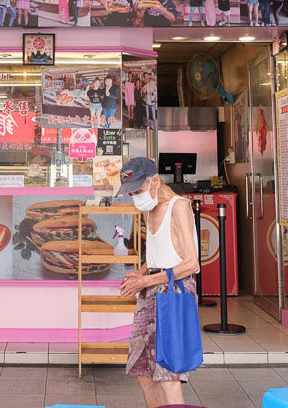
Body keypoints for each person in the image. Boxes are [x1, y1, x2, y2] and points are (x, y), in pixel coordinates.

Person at [118, 157, 200, 408]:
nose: (135, 196)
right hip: (151, 288)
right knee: (142, 368)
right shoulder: (147, 210)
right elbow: (157, 252)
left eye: (137, 190)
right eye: (130, 192)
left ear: (154, 181)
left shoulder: (179, 206)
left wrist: (145, 280)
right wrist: (140, 273)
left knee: (168, 370)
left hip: (175, 291)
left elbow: (191, 264)